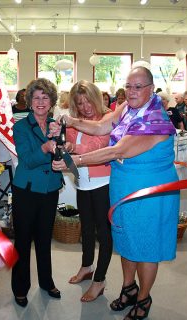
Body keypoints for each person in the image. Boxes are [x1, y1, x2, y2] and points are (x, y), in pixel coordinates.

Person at [52, 67, 179, 320]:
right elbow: (101, 127)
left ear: (151, 89)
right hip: (123, 187)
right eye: (128, 86)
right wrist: (72, 120)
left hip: (148, 192)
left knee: (145, 247)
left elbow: (115, 152)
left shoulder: (155, 121)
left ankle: (143, 299)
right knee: (125, 240)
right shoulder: (127, 108)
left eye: (138, 87)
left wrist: (75, 160)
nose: (132, 91)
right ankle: (128, 288)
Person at [11, 78, 63, 308]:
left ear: (51, 102)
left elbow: (62, 154)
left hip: (50, 189)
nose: (41, 102)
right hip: (27, 190)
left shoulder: (56, 125)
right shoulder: (20, 126)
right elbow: (27, 160)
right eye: (36, 98)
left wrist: (61, 139)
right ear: (29, 102)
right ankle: (20, 288)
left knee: (44, 238)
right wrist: (45, 147)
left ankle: (46, 281)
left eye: (45, 97)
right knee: (22, 241)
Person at [65, 80, 113, 303]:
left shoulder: (108, 118)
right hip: (83, 182)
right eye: (79, 103)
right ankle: (87, 266)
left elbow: (99, 146)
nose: (85, 107)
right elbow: (70, 141)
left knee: (104, 233)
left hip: (103, 182)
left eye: (87, 101)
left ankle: (99, 280)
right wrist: (68, 145)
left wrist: (74, 149)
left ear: (96, 98)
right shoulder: (75, 122)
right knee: (86, 228)